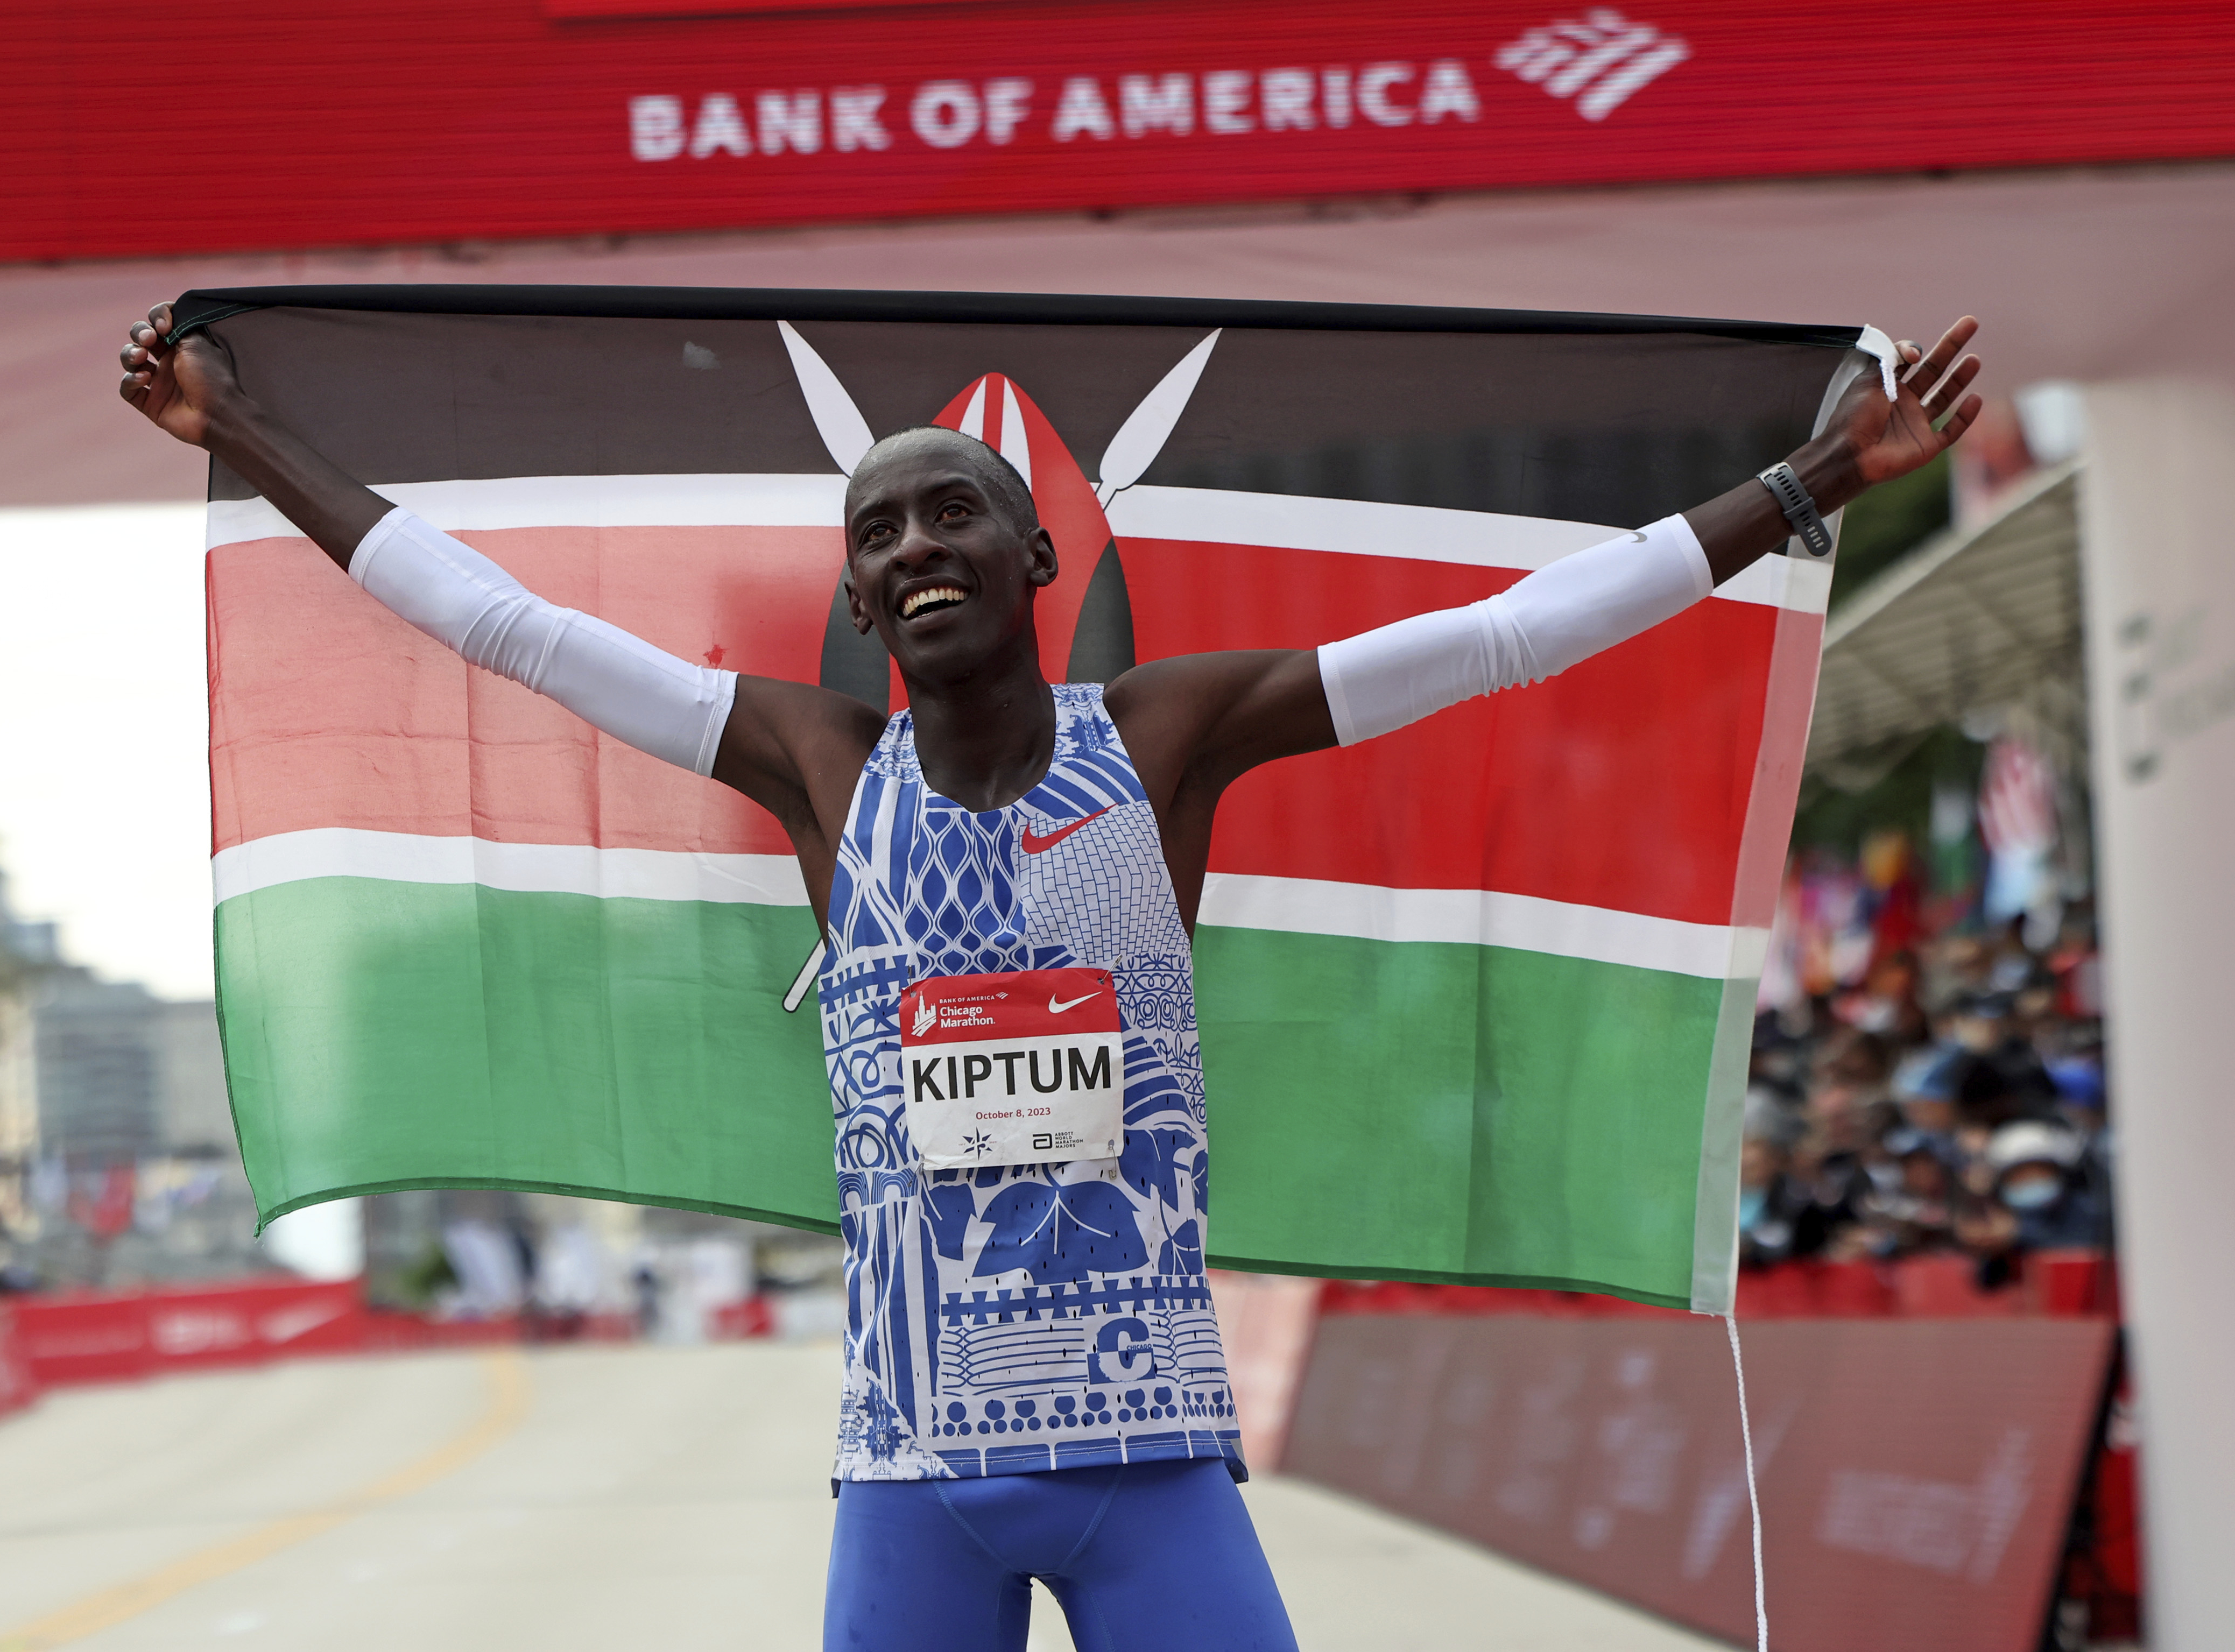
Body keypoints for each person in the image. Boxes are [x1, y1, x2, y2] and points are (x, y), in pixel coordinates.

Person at [119, 302, 1982, 1652]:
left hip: (1147, 1461)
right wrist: (245, 442)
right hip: (909, 1467)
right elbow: (500, 623)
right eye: (876, 534)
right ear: (858, 604)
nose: (912, 547)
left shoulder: (1167, 736)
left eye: (949, 516)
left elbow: (1498, 642)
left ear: (1035, 556)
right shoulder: (815, 765)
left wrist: (1810, 480)